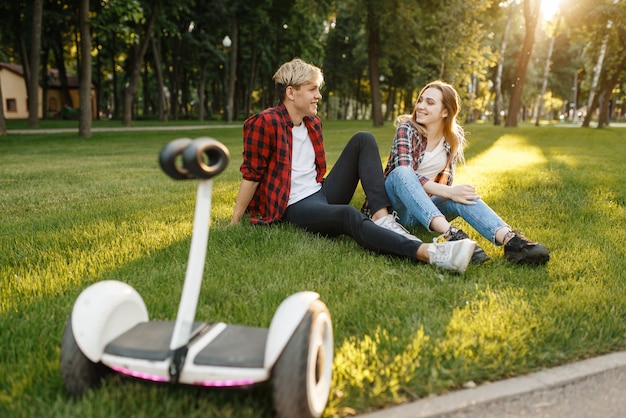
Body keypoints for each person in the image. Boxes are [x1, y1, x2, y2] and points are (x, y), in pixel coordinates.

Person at [230, 59, 476, 274]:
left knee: (363, 139)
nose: (319, 95)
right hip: (294, 205)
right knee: (349, 214)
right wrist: (235, 220)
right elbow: (252, 174)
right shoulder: (264, 123)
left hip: (320, 192)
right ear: (291, 92)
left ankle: (382, 217)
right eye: (312, 89)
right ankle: (430, 253)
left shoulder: (312, 123)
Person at [382, 80, 549, 265]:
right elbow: (405, 172)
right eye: (420, 100)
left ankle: (512, 242)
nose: (420, 106)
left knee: (462, 195)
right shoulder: (407, 128)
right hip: (397, 210)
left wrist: (453, 193)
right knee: (402, 173)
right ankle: (452, 236)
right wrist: (448, 191)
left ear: (445, 112)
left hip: (425, 210)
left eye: (429, 103)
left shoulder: (451, 139)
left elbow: (446, 186)